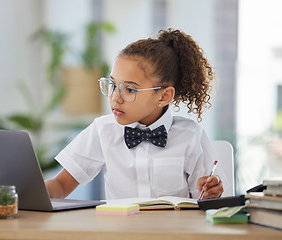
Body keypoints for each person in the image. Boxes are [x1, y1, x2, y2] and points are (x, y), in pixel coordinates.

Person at [46, 28, 228, 200]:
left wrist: (211, 191)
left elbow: (207, 200)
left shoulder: (191, 136)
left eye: (130, 89)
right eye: (113, 85)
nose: (115, 98)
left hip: (174, 233)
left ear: (164, 96)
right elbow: (61, 185)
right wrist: (26, 193)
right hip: (119, 233)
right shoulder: (103, 130)